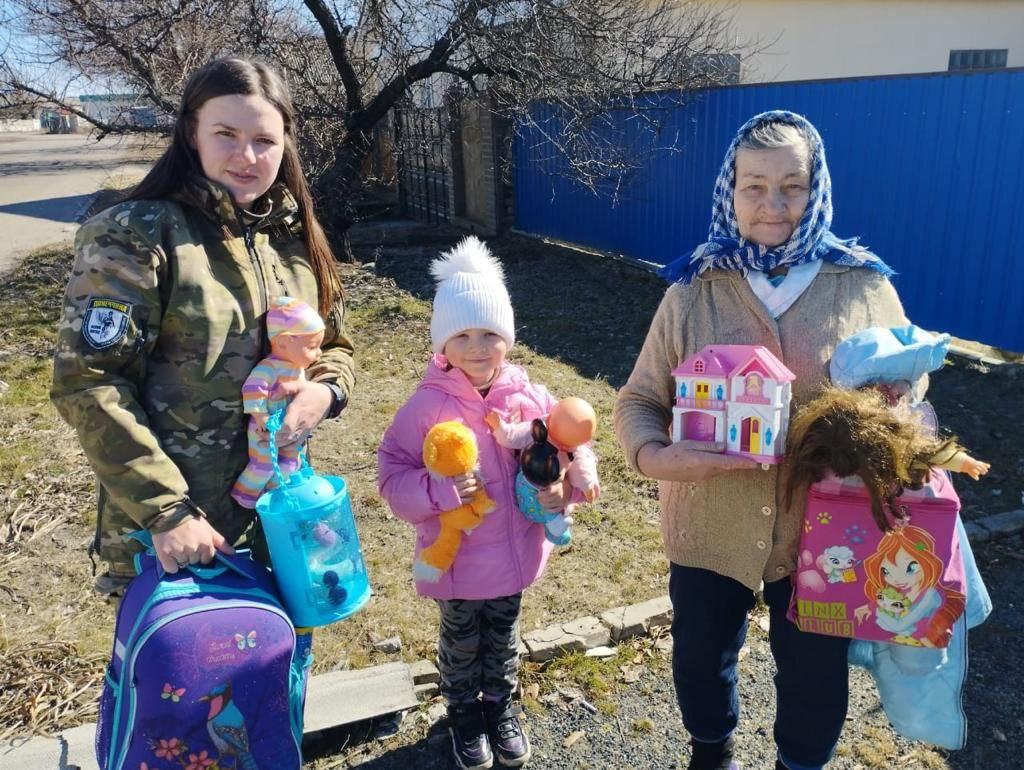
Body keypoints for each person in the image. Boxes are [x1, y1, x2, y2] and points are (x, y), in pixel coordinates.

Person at [613, 110, 912, 770]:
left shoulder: (862, 286)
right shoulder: (694, 290)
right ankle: (711, 751)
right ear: (730, 189)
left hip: (827, 536)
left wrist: (899, 421)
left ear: (817, 188)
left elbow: (914, 400)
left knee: (813, 677)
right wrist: (657, 456)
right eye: (754, 186)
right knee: (698, 657)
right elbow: (638, 400)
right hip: (707, 521)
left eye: (792, 186)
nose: (773, 206)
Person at [50, 58, 354, 594]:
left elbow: (333, 344)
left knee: (282, 669)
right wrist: (167, 511)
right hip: (175, 541)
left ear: (285, 143)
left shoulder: (291, 236)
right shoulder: (133, 237)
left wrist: (326, 392)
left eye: (264, 139)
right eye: (226, 134)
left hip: (280, 519)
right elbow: (90, 381)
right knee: (189, 679)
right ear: (192, 133)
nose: (247, 156)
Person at [377, 235, 598, 770]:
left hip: (514, 555)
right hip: (456, 563)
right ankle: (463, 715)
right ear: (442, 344)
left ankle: (499, 708)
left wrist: (573, 482)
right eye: (463, 335)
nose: (478, 347)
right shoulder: (425, 406)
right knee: (460, 645)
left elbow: (574, 439)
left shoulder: (531, 398)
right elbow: (390, 475)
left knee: (502, 639)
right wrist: (440, 491)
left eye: (491, 334)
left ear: (509, 338)